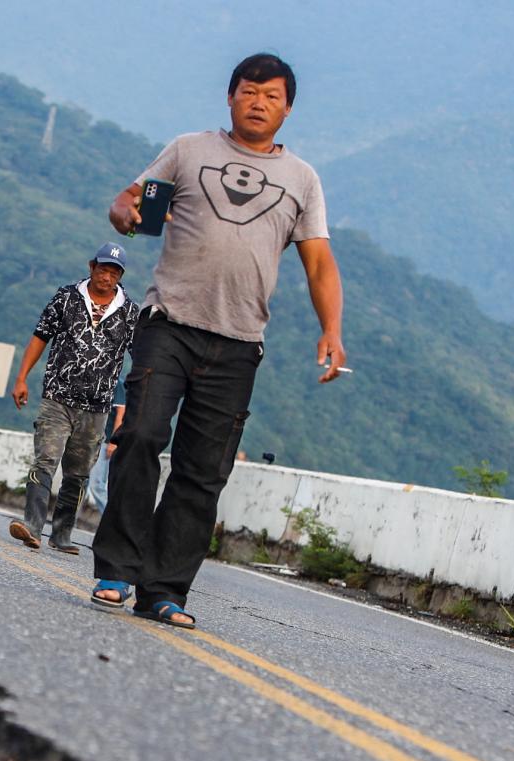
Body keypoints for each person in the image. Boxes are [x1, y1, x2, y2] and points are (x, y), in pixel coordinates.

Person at [91, 53, 347, 629]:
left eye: (272, 95)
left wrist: (331, 330)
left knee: (203, 471)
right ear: (230, 96)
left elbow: (320, 265)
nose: (259, 102)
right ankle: (116, 567)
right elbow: (129, 199)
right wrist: (123, 211)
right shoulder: (188, 150)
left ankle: (163, 590)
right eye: (249, 91)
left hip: (238, 343)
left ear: (288, 108)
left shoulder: (302, 180)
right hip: (168, 324)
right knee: (141, 435)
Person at [7, 242, 142, 554]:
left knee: (78, 471)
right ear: (91, 266)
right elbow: (41, 335)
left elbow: (139, 358)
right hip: (57, 397)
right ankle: (32, 526)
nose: (107, 276)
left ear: (121, 276)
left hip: (97, 407)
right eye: (103, 269)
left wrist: (138, 403)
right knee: (46, 458)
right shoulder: (66, 297)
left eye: (114, 272)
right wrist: (21, 377)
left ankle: (63, 532)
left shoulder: (130, 313)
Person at [84, 388, 126, 515]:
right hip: (90, 438)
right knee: (80, 481)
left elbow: (121, 412)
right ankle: (68, 521)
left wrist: (114, 441)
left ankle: (111, 520)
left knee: (96, 485)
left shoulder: (117, 385)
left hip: (105, 441)